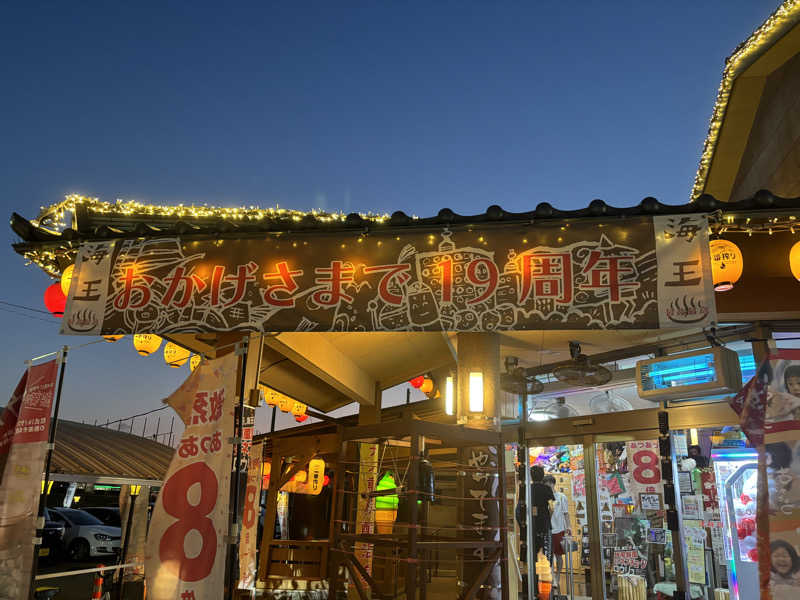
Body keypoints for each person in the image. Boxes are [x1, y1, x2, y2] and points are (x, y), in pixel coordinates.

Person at [543, 475, 570, 591]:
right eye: (546, 485)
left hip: (559, 529)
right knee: (548, 556)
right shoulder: (544, 498)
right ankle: (553, 577)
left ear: (553, 484)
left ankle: (558, 576)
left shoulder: (561, 497)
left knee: (558, 555)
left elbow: (566, 513)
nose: (548, 487)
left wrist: (569, 527)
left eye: (549, 484)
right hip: (548, 530)